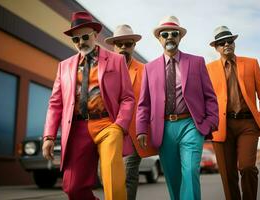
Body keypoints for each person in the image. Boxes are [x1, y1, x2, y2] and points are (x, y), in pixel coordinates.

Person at [42, 11, 135, 200]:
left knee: (112, 179)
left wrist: (119, 126)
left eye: (85, 37)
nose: (81, 42)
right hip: (77, 129)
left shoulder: (116, 61)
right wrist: (49, 136)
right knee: (72, 188)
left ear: (95, 35)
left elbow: (127, 98)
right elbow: (55, 103)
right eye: (76, 39)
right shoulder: (64, 66)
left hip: (107, 125)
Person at [136, 16, 219, 200]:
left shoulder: (197, 62)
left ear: (180, 37)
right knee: (173, 179)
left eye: (174, 34)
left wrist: (209, 123)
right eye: (164, 34)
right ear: (159, 39)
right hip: (164, 129)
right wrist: (141, 128)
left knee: (190, 171)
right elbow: (144, 103)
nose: (169, 37)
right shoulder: (149, 69)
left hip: (191, 125)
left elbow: (210, 97)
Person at [206, 26, 260, 200]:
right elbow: (204, 98)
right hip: (221, 126)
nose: (226, 44)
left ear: (234, 43)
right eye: (222, 42)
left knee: (247, 167)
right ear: (216, 47)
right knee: (228, 175)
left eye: (230, 41)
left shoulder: (251, 63)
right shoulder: (208, 69)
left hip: (248, 123)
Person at [105, 24, 158, 200]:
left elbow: (153, 101)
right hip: (108, 131)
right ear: (113, 46)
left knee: (128, 174)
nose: (123, 48)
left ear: (134, 46)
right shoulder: (104, 70)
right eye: (119, 44)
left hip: (134, 133)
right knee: (111, 176)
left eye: (128, 44)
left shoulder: (145, 70)